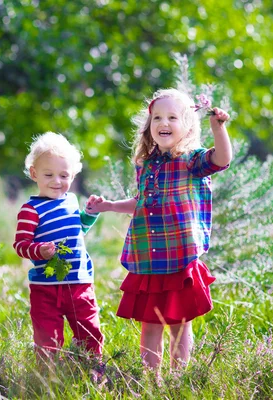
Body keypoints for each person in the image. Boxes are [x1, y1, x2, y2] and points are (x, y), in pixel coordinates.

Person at [86, 88, 232, 373]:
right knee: (150, 325)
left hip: (179, 257)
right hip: (149, 260)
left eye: (172, 117)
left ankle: (178, 378)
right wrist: (110, 206)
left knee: (179, 324)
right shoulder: (146, 165)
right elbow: (141, 202)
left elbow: (222, 158)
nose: (163, 123)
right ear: (149, 125)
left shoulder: (191, 161)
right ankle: (151, 380)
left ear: (187, 125)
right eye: (157, 118)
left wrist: (218, 128)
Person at [13, 131, 104, 363]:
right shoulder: (30, 210)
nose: (57, 181)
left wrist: (90, 214)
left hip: (79, 283)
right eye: (49, 174)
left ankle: (93, 370)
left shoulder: (72, 201)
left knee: (90, 331)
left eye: (64, 175)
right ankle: (48, 377)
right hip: (46, 286)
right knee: (47, 339)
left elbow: (78, 230)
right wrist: (39, 250)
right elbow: (21, 245)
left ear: (73, 175)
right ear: (34, 173)